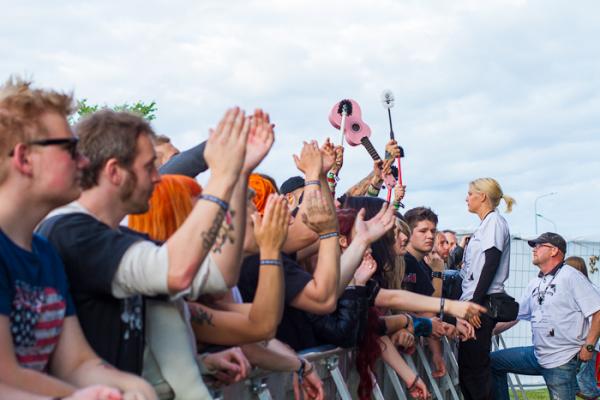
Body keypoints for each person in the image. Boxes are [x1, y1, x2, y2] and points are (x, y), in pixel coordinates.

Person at [37, 107, 271, 376]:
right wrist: (221, 177)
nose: (157, 177)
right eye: (149, 166)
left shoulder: (120, 238)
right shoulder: (70, 232)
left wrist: (238, 174)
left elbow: (219, 275)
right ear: (114, 171)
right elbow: (178, 273)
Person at [0, 77, 155, 399]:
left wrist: (132, 387)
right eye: (70, 149)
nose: (84, 162)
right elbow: (6, 378)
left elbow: (76, 361)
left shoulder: (43, 253)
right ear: (24, 158)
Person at [491, 232, 600, 400]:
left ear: (554, 250)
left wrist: (589, 346)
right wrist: (488, 331)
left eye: (539, 245)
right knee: (493, 362)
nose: (534, 249)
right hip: (537, 354)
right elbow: (516, 316)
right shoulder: (535, 282)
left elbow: (597, 311)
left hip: (562, 360)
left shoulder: (571, 276)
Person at [458, 177, 515, 400]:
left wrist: (475, 304)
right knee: (469, 368)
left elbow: (491, 261)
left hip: (481, 302)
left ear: (482, 196)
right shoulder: (486, 224)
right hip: (476, 300)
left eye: (470, 193)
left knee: (475, 371)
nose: (467, 198)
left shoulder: (494, 222)